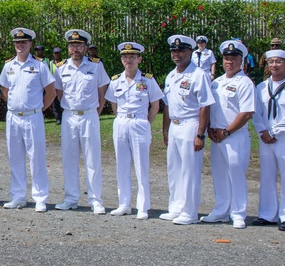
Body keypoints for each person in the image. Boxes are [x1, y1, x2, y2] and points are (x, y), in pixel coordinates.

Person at [0, 28, 56, 212]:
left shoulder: (40, 66)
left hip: (33, 117)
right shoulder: (9, 66)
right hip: (13, 117)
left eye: (23, 42)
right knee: (15, 157)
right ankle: (18, 196)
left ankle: (39, 197)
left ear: (30, 44)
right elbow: (4, 90)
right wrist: (17, 105)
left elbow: (51, 92)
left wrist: (39, 108)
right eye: (17, 42)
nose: (20, 45)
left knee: (36, 157)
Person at [53, 29, 110, 213]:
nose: (75, 48)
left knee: (93, 159)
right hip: (69, 116)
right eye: (72, 45)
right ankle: (70, 198)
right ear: (68, 48)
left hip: (89, 116)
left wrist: (95, 112)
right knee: (69, 159)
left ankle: (95, 200)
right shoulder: (61, 68)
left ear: (85, 48)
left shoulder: (96, 66)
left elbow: (103, 93)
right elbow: (59, 92)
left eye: (78, 45)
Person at [104, 41, 162, 220]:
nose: (128, 60)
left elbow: (155, 105)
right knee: (121, 165)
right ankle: (124, 204)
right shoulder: (115, 81)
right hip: (121, 122)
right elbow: (113, 104)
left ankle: (143, 206)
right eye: (125, 57)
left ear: (139, 59)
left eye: (132, 57)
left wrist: (146, 123)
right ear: (121, 60)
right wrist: (122, 119)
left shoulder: (148, 80)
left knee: (141, 165)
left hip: (139, 123)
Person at [161, 35, 215, 225]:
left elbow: (205, 106)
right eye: (174, 51)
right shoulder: (171, 75)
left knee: (190, 171)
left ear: (190, 52)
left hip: (191, 124)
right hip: (175, 126)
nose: (177, 54)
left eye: (181, 51)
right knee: (173, 169)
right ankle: (176, 207)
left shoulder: (198, 74)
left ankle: (190, 211)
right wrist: (165, 130)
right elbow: (167, 105)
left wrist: (200, 134)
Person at [202, 40, 256, 229]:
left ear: (241, 60)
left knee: (236, 173)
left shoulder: (245, 83)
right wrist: (210, 128)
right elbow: (210, 108)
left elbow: (247, 112)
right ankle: (221, 210)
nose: (229, 62)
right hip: (217, 136)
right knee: (219, 174)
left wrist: (226, 131)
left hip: (234, 136)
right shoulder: (217, 82)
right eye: (226, 58)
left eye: (234, 58)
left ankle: (238, 213)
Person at [251, 47, 285, 230]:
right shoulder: (261, 87)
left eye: (278, 62)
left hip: (284, 138)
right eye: (271, 62)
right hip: (265, 137)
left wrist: (274, 132)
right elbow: (256, 113)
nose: (274, 65)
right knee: (267, 176)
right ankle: (267, 214)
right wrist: (263, 131)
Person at [51, 46, 64, 125]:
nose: (56, 55)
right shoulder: (50, 63)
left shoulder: (63, 63)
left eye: (58, 53)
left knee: (62, 101)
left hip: (61, 85)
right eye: (55, 53)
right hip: (52, 85)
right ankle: (58, 118)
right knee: (55, 103)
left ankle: (63, 117)